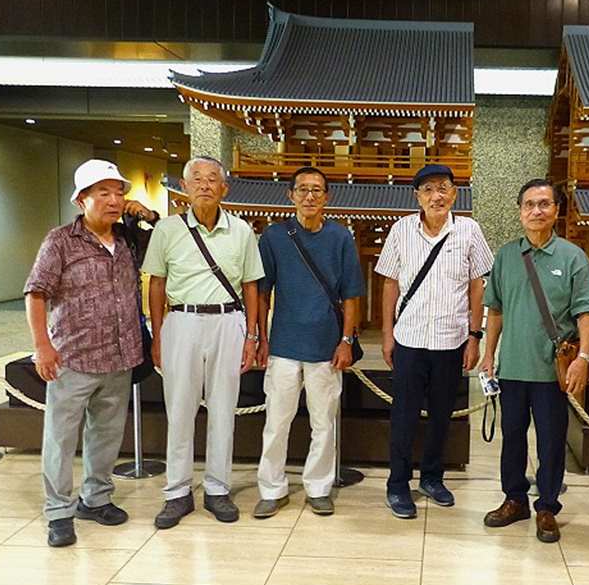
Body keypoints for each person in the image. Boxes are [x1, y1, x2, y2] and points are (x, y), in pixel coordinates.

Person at [24, 159, 151, 547]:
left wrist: (147, 217)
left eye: (119, 192)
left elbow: (164, 248)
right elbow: (36, 293)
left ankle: (96, 499)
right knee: (61, 439)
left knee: (107, 435)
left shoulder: (129, 239)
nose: (114, 200)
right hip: (73, 358)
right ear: (81, 199)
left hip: (120, 356)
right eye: (103, 192)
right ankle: (59, 511)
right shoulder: (60, 241)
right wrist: (42, 346)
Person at [142, 156, 264, 528]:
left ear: (224, 188)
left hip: (229, 321)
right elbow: (157, 284)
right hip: (182, 321)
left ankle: (217, 488)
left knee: (223, 409)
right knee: (180, 409)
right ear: (184, 187)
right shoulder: (167, 230)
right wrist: (158, 334)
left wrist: (252, 336)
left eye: (213, 179)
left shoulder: (241, 231)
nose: (205, 185)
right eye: (197, 179)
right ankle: (177, 492)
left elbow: (251, 286)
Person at [480, 178, 589, 543]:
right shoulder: (506, 256)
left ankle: (547, 506)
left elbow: (586, 312)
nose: (536, 211)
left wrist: (583, 357)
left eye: (544, 204)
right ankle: (514, 499)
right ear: (520, 212)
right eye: (529, 204)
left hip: (552, 371)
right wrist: (488, 354)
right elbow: (495, 310)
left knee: (551, 441)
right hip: (513, 367)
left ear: (556, 210)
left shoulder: (572, 257)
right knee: (512, 438)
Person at [375, 163, 494, 518]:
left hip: (451, 340)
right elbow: (390, 283)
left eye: (443, 188)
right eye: (428, 190)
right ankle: (398, 484)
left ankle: (432, 477)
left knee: (442, 415)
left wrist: (475, 336)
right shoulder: (401, 230)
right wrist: (387, 334)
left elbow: (477, 286)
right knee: (404, 416)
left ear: (454, 194)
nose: (436, 196)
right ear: (417, 197)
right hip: (409, 339)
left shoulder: (469, 231)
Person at [252, 167, 364, 518]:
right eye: (303, 189)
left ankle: (318, 487)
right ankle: (271, 488)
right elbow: (262, 292)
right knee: (276, 421)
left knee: (323, 423)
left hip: (326, 346)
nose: (310, 196)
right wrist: (260, 337)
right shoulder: (274, 236)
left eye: (317, 190)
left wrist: (346, 340)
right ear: (291, 195)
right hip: (284, 343)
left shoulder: (340, 237)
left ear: (327, 197)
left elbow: (351, 295)